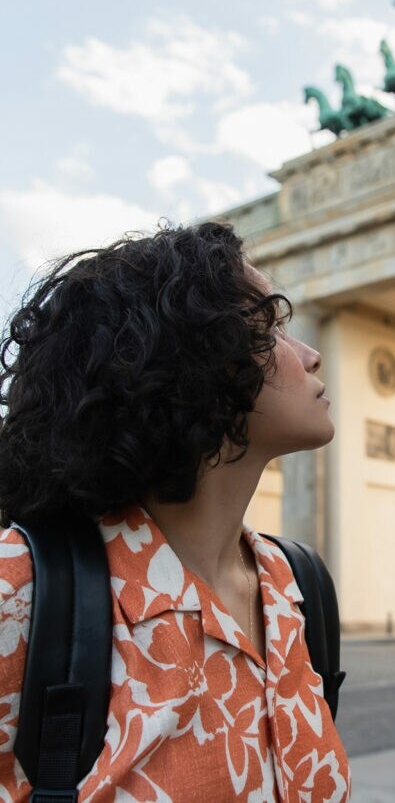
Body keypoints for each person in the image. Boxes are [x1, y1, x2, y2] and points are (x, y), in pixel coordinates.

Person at [0, 221, 350, 801]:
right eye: (271, 331)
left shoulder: (297, 585)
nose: (310, 357)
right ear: (192, 361)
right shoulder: (24, 588)